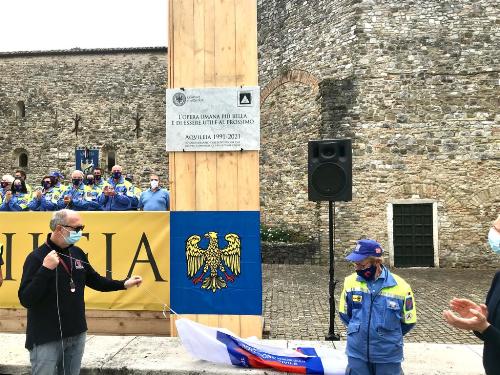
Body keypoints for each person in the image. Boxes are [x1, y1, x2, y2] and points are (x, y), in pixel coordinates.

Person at [18, 209, 143, 375]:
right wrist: (45, 269)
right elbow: (26, 299)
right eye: (76, 229)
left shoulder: (77, 253)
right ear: (59, 229)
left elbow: (95, 280)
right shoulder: (37, 257)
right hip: (46, 337)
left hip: (76, 333)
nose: (80, 232)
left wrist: (123, 284)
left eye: (82, 228)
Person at [339, 239, 416, 375]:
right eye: (355, 265)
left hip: (388, 357)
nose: (357, 269)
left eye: (361, 265)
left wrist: (386, 337)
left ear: (377, 262)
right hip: (357, 354)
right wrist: (361, 332)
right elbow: (345, 314)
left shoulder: (402, 287)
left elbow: (408, 321)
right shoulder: (350, 282)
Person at [443, 215, 500, 375]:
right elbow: (491, 335)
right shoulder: (499, 277)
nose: (492, 233)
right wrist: (478, 322)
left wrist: (485, 328)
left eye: (497, 229)